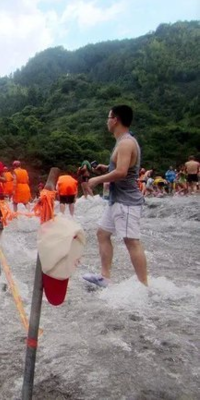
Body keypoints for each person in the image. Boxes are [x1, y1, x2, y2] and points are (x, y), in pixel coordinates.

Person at [83, 105, 148, 288]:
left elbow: (121, 172)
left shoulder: (126, 143)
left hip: (126, 201)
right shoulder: (121, 142)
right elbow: (119, 168)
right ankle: (105, 277)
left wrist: (96, 179)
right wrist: (106, 168)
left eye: (108, 117)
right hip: (116, 200)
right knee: (102, 233)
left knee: (131, 241)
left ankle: (144, 285)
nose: (107, 121)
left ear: (116, 120)